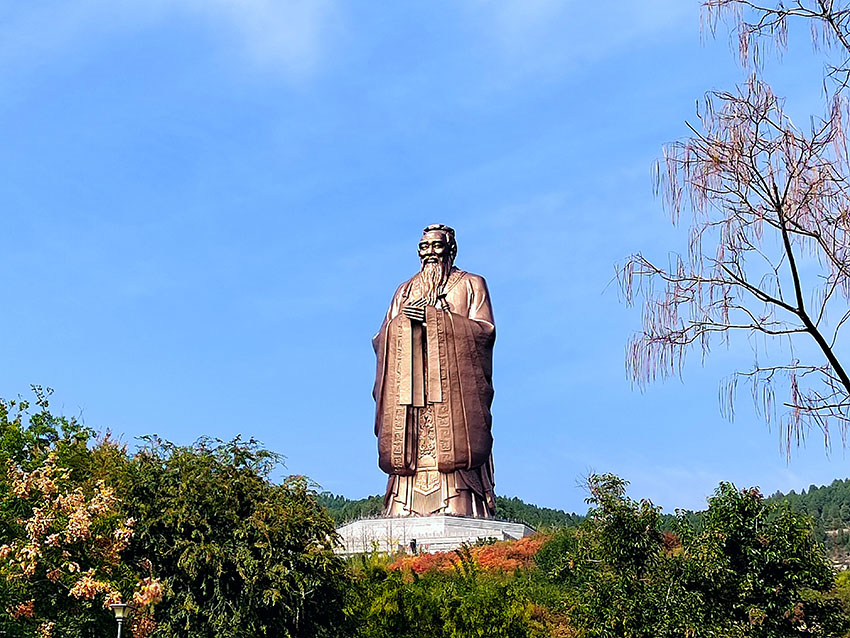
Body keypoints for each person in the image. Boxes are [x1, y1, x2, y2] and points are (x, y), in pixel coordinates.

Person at [372, 224, 496, 518]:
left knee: (452, 445)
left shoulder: (471, 284)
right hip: (410, 387)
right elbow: (382, 338)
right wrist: (404, 324)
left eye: (436, 246)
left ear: (451, 250)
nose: (430, 252)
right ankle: (403, 502)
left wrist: (437, 320)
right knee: (409, 444)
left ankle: (459, 500)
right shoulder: (405, 290)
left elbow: (484, 332)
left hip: (452, 390)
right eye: (424, 247)